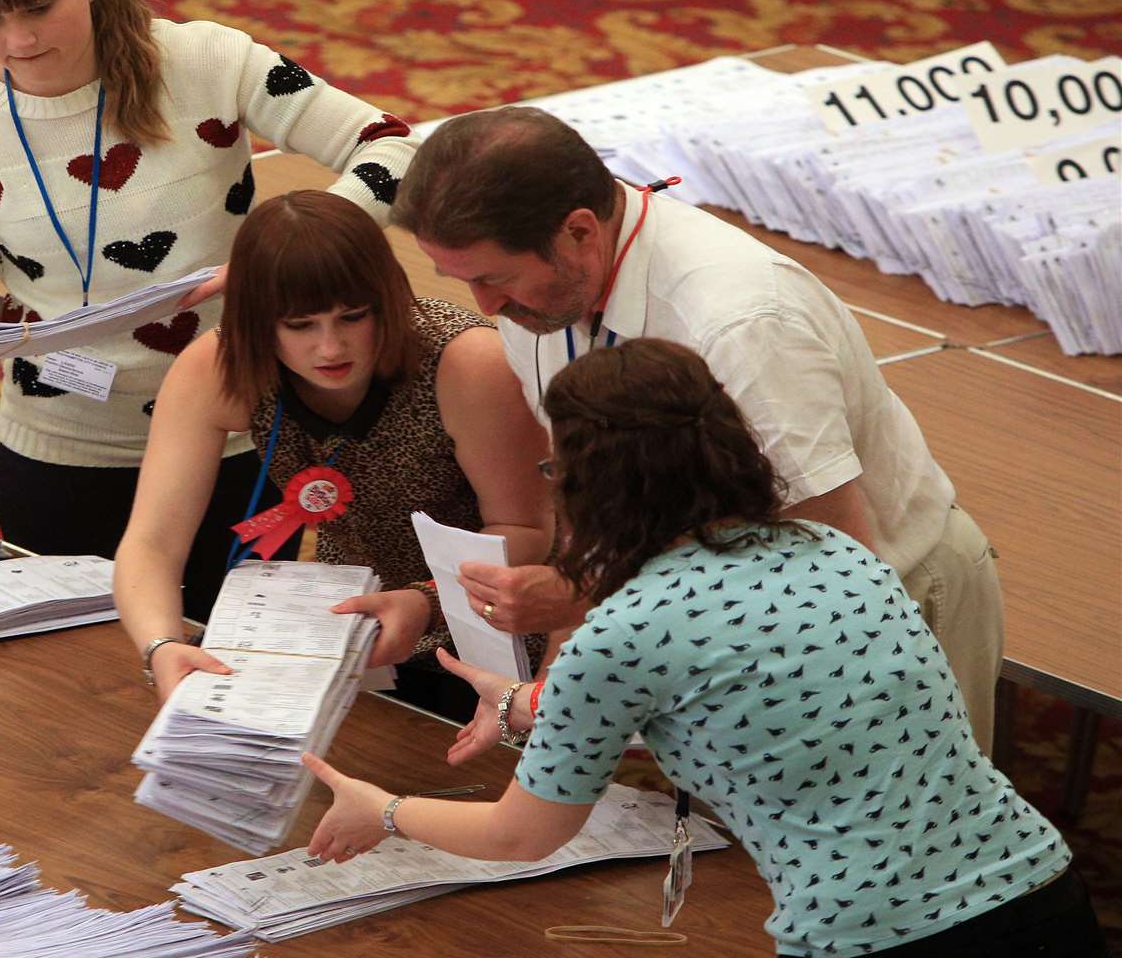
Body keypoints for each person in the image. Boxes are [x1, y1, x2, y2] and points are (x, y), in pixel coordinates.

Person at [300, 339, 1103, 958]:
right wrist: (526, 706)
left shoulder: (620, 632)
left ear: (589, 484)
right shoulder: (833, 549)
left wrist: (388, 812)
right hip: (1041, 887)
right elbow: (754, 710)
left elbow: (522, 836)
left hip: (879, 938)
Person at [389, 105, 1004, 749]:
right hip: (724, 609)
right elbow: (590, 503)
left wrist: (590, 598)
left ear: (578, 232)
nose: (485, 309)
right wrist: (550, 692)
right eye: (463, 281)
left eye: (494, 278)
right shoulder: (541, 304)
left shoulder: (741, 322)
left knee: (887, 839)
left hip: (879, 607)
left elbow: (834, 567)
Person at [0, 0, 416, 614]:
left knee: (228, 663)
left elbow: (392, 147)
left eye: (40, 8)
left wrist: (279, 263)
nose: (18, 42)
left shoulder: (209, 59)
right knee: (75, 688)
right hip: (58, 445)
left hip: (235, 432)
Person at [113, 191, 551, 704]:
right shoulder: (220, 365)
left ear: (387, 299)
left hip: (499, 619)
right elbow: (152, 543)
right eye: (299, 326)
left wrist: (428, 601)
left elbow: (526, 533)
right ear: (255, 322)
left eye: (353, 317)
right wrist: (161, 645)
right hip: (354, 626)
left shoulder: (467, 362)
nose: (329, 347)